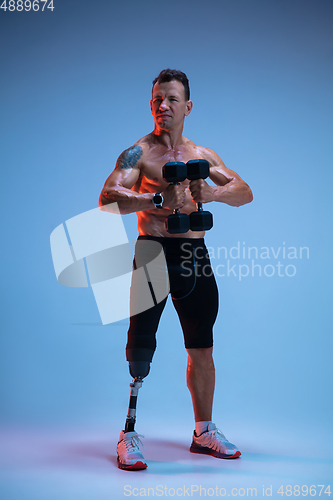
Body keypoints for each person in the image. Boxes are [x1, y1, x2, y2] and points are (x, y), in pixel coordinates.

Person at [99, 69, 253, 470]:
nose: (162, 107)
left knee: (202, 347)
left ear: (188, 106)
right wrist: (155, 199)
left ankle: (204, 432)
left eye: (169, 99)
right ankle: (128, 433)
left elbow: (245, 192)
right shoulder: (138, 153)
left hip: (194, 259)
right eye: (156, 100)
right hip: (152, 253)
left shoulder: (202, 154)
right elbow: (107, 197)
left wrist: (215, 193)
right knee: (140, 346)